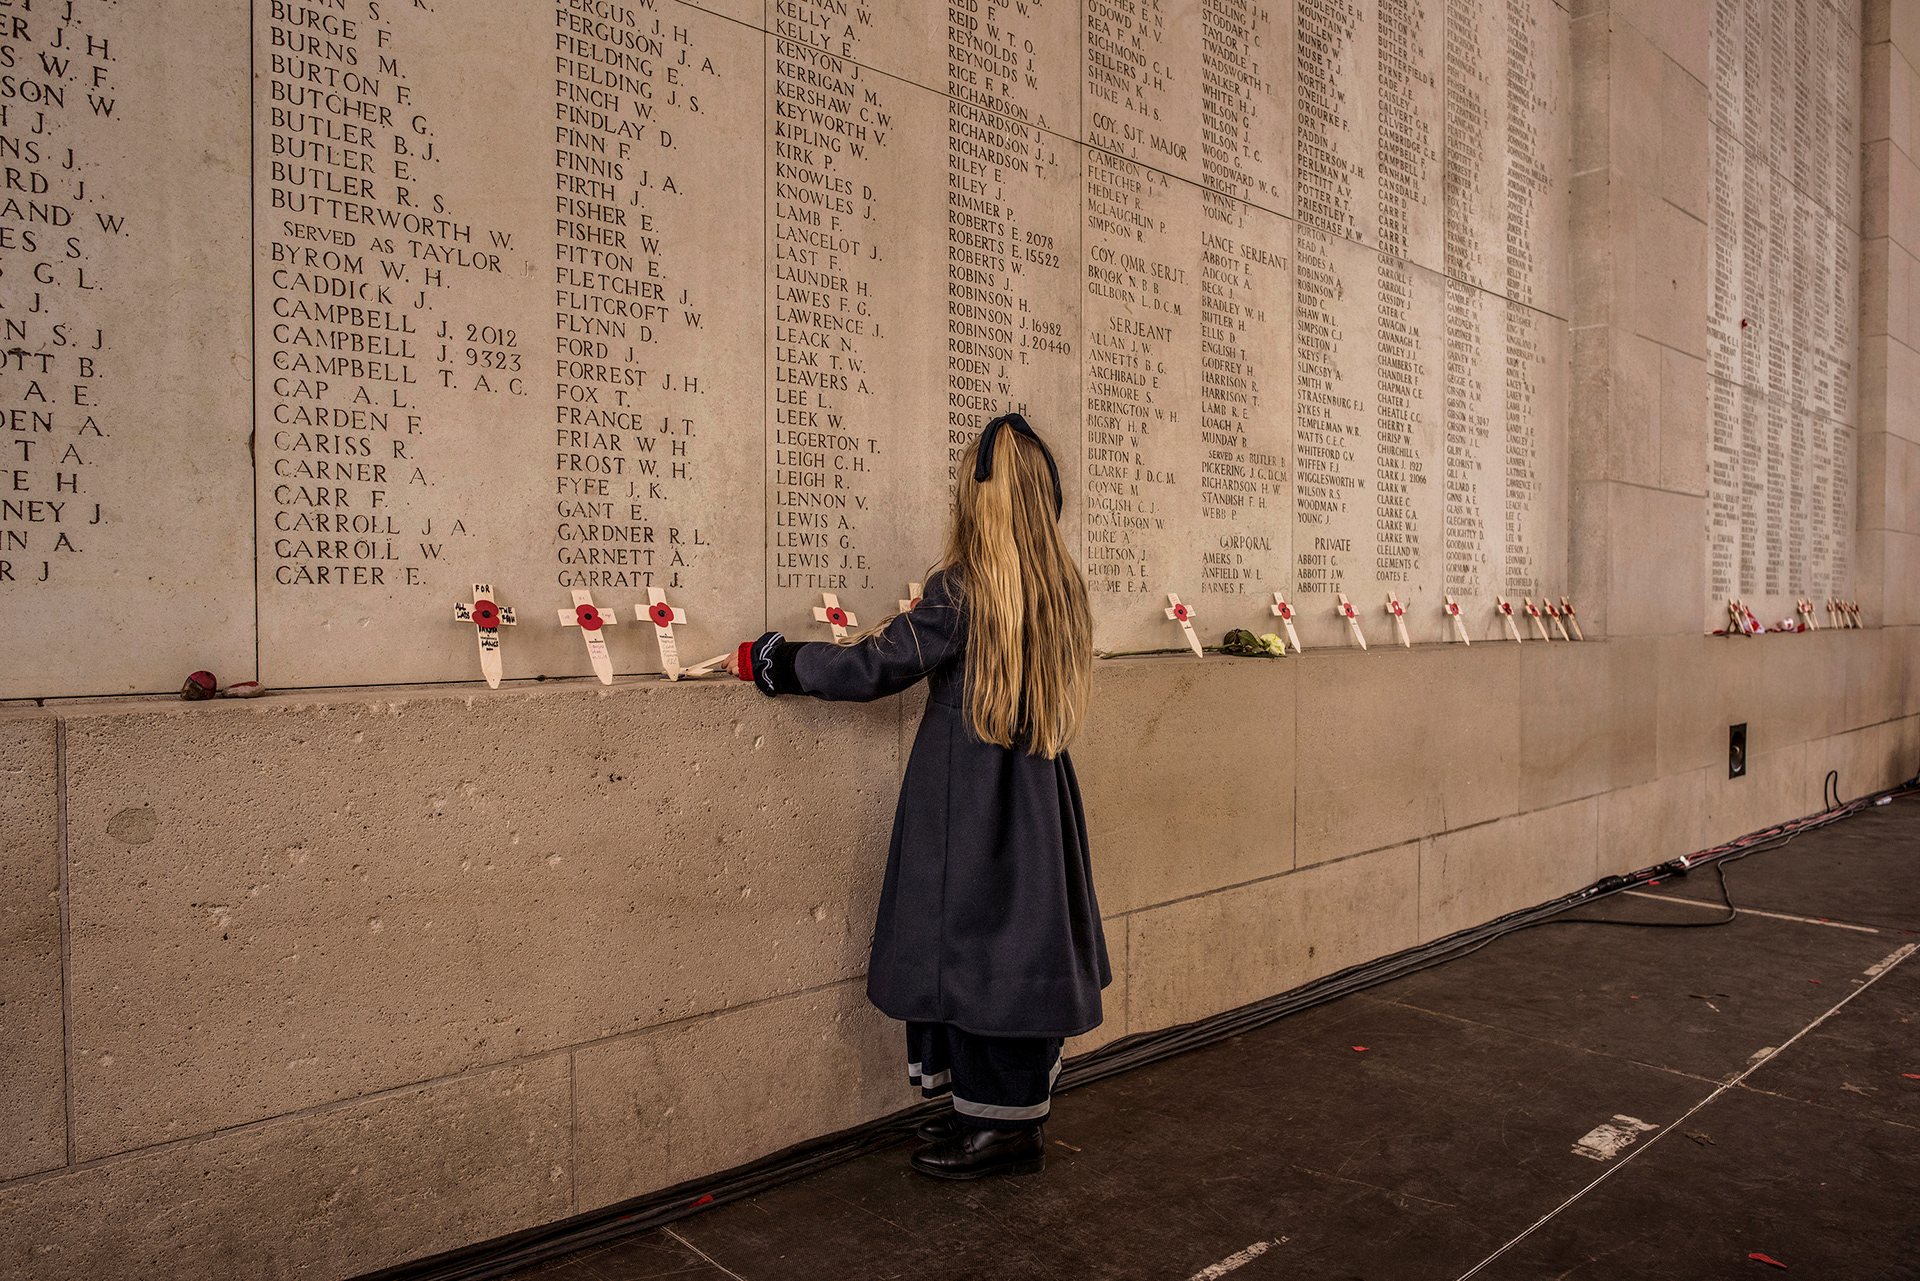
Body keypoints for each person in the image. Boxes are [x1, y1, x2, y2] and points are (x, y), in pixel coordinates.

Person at [726, 413, 1110, 1181]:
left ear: (981, 500)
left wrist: (780, 660)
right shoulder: (1060, 585)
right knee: (1011, 952)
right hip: (1037, 800)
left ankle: (998, 1133)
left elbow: (877, 666)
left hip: (968, 802)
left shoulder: (963, 589)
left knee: (968, 950)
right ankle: (996, 1112)